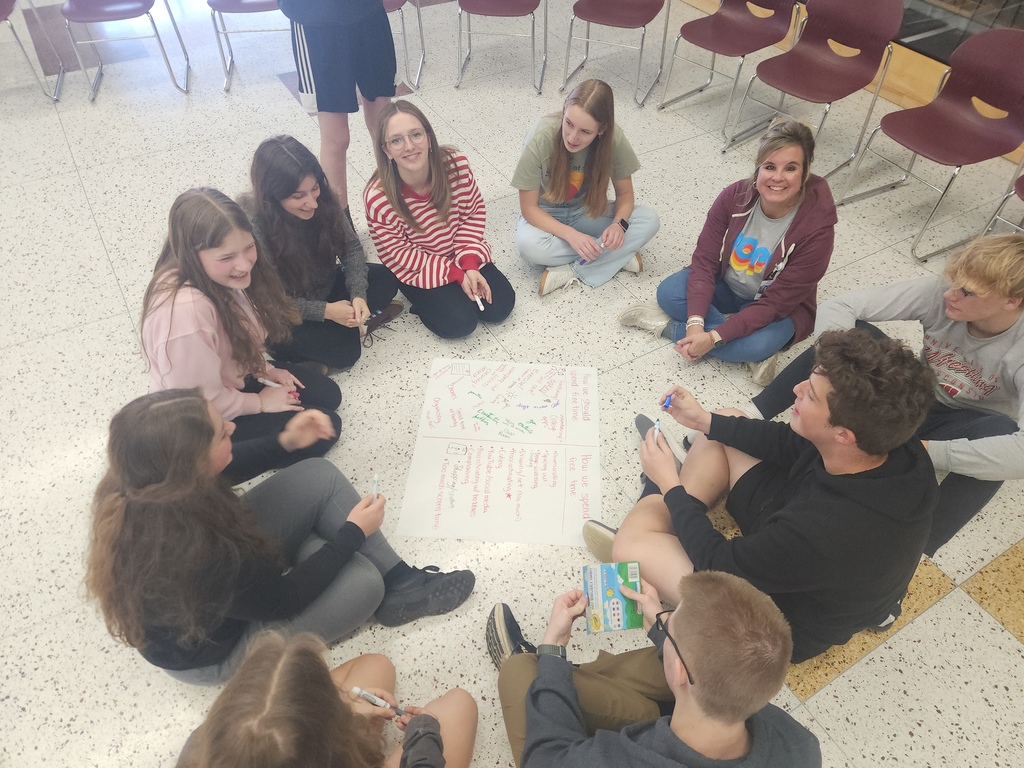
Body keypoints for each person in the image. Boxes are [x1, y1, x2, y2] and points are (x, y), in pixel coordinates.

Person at [85, 389, 477, 685]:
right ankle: (371, 577)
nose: (233, 429)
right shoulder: (195, 553)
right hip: (223, 651)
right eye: (223, 434)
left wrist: (285, 443)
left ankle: (401, 582)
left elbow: (226, 466)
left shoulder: (145, 478)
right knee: (363, 583)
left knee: (317, 474)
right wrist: (352, 533)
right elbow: (281, 601)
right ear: (192, 467)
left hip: (236, 584)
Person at [604, 330, 937, 662]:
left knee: (630, 545)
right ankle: (669, 514)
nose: (796, 389)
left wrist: (668, 485)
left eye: (811, 396)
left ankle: (658, 505)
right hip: (807, 529)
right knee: (726, 422)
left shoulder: (822, 534)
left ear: (843, 434)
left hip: (777, 626)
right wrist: (704, 420)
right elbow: (790, 445)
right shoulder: (895, 443)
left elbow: (720, 563)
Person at [744, 234, 1024, 556]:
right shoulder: (946, 292)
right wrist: (838, 370)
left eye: (967, 291)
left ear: (1011, 300)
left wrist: (923, 451)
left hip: (967, 421)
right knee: (849, 342)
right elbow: (842, 305)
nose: (950, 294)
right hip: (914, 397)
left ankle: (915, 551)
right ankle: (751, 415)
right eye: (953, 281)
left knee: (1000, 443)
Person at [488, 572, 821, 768]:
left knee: (521, 672)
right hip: (692, 713)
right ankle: (570, 679)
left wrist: (553, 644)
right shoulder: (800, 744)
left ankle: (547, 676)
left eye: (668, 620)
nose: (663, 620)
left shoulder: (617, 759)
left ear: (679, 671)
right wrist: (661, 631)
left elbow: (546, 758)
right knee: (655, 661)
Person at [141, 187, 342, 483]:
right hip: (206, 420)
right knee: (326, 428)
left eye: (248, 247)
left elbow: (236, 342)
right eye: (227, 256)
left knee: (329, 395)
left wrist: (266, 369)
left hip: (231, 379)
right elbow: (201, 402)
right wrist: (260, 403)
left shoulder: (215, 277)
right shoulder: (185, 315)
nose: (244, 264)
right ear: (193, 255)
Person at [618, 120, 836, 385]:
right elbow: (705, 260)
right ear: (758, 168)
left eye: (790, 168)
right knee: (669, 291)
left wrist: (712, 338)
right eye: (769, 166)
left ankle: (666, 328)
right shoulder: (734, 196)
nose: (778, 177)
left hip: (780, 307)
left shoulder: (818, 228)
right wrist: (697, 324)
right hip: (730, 287)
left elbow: (775, 304)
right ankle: (742, 350)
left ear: (805, 172)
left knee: (758, 344)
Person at [175, 631, 477, 768]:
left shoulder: (201, 750)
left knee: (378, 666)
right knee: (459, 704)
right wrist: (424, 735)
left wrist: (345, 708)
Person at [242, 135, 403, 372]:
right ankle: (346, 331)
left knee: (387, 278)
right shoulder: (255, 227)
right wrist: (326, 312)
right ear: (273, 196)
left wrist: (358, 294)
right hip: (289, 311)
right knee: (345, 353)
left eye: (314, 188)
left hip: (326, 288)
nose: (312, 203)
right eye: (298, 196)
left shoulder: (325, 200)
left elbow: (351, 248)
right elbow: (270, 300)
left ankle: (347, 326)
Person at [364, 100, 516, 339]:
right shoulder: (378, 198)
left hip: (460, 250)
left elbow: (472, 213)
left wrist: (469, 265)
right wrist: (455, 274)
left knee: (500, 307)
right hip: (418, 267)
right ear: (386, 151)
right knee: (459, 324)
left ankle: (455, 286)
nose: (409, 146)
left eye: (415, 135)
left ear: (428, 137)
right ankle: (422, 303)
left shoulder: (456, 165)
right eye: (396, 140)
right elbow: (400, 253)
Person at [513, 79, 660, 296]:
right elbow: (529, 209)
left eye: (585, 132)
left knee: (649, 219)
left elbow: (625, 194)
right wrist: (571, 234)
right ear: (563, 109)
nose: (572, 137)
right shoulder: (540, 137)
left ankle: (575, 269)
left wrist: (619, 226)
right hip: (546, 213)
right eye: (569, 123)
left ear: (602, 130)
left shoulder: (614, 140)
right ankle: (619, 256)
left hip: (586, 210)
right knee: (528, 246)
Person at [276, 0, 396, 220]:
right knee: (337, 138)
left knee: (385, 127)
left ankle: (398, 207)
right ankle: (341, 227)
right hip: (317, 24)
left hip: (369, 14)